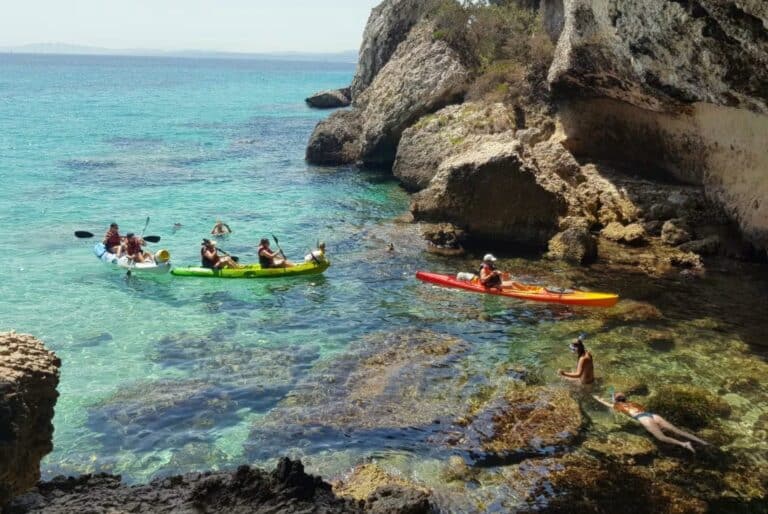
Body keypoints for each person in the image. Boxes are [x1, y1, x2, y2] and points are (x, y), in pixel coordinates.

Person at [592, 392, 709, 453]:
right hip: (652, 415)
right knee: (677, 430)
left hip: (644, 419)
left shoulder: (618, 406)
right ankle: (702, 442)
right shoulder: (633, 403)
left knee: (662, 438)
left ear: (616, 401)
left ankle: (684, 444)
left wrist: (597, 398)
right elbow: (620, 401)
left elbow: (607, 404)